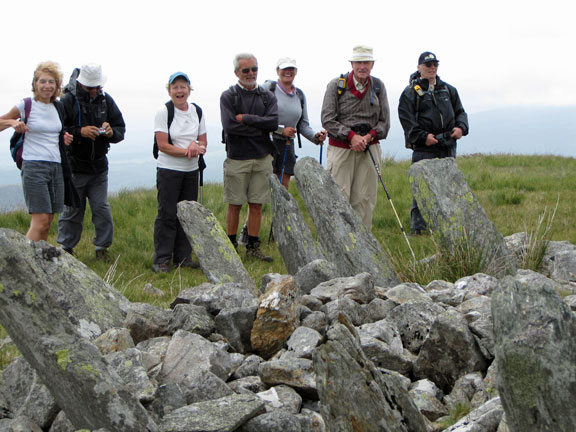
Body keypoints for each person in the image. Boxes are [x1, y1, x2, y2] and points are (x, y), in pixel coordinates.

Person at [56, 63, 126, 260]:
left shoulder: (106, 100)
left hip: (99, 167)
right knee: (72, 210)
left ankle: (102, 248)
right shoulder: (67, 101)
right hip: (75, 167)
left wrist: (112, 132)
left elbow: (120, 127)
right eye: (90, 87)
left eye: (97, 86)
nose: (94, 90)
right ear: (81, 84)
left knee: (101, 208)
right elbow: (60, 130)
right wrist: (80, 132)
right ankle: (66, 248)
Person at [0, 61, 74, 242]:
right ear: (35, 84)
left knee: (48, 220)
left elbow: (54, 132)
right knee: (40, 220)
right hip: (34, 165)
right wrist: (12, 123)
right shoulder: (26, 105)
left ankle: (39, 263)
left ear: (57, 86)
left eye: (51, 82)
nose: (47, 86)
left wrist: (64, 138)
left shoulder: (58, 107)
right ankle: (22, 262)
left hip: (56, 166)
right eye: (42, 81)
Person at [398, 51, 469, 235]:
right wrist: (423, 137)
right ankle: (419, 229)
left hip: (448, 146)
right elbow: (407, 121)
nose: (432, 68)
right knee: (422, 188)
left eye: (434, 65)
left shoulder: (448, 90)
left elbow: (461, 112)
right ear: (419, 67)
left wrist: (461, 128)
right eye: (428, 65)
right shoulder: (410, 93)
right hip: (424, 149)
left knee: (450, 187)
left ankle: (450, 226)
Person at [321, 45, 390, 229]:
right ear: (352, 63)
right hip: (341, 149)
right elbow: (327, 119)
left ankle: (363, 246)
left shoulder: (378, 86)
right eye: (358, 62)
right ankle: (336, 242)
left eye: (366, 62)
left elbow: (384, 123)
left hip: (369, 148)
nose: (362, 67)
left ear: (372, 64)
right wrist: (351, 136)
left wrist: (367, 137)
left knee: (365, 199)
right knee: (338, 196)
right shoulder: (336, 85)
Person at [220, 53, 279, 262]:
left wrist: (246, 119)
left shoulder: (267, 96)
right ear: (237, 72)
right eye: (246, 70)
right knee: (234, 204)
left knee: (257, 204)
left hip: (262, 158)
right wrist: (259, 126)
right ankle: (231, 246)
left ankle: (253, 246)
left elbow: (272, 123)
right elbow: (229, 127)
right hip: (237, 158)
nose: (251, 73)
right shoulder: (228, 97)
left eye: (254, 69)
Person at [151, 72, 207, 273]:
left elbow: (203, 143)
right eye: (175, 87)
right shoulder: (164, 112)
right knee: (167, 214)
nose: (179, 90)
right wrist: (188, 151)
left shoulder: (197, 111)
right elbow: (163, 145)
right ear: (169, 90)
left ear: (189, 90)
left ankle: (184, 257)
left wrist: (196, 146)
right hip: (168, 170)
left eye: (183, 86)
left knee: (186, 214)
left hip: (191, 171)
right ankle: (162, 259)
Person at [262, 57, 327, 189]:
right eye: (284, 68)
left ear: (296, 71)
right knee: (261, 190)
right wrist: (280, 130)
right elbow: (259, 119)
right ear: (277, 70)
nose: (288, 72)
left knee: (283, 188)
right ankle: (262, 210)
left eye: (291, 69)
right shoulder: (268, 89)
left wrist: (316, 137)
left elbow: (303, 125)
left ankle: (281, 210)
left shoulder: (300, 95)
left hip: (287, 144)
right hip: (266, 143)